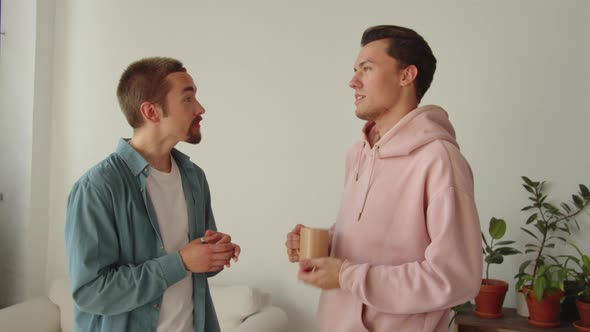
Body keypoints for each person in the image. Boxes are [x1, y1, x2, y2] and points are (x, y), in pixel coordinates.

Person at [285, 25, 482, 331]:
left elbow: (456, 278)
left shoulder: (439, 160)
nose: (353, 82)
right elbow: (378, 243)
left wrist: (346, 275)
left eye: (367, 69)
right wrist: (324, 246)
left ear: (406, 76)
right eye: (355, 70)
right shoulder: (359, 154)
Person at [65, 57, 240, 332]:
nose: (200, 108)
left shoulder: (195, 178)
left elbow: (199, 269)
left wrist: (214, 254)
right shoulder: (98, 188)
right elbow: (91, 291)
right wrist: (180, 262)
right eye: (187, 99)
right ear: (151, 112)